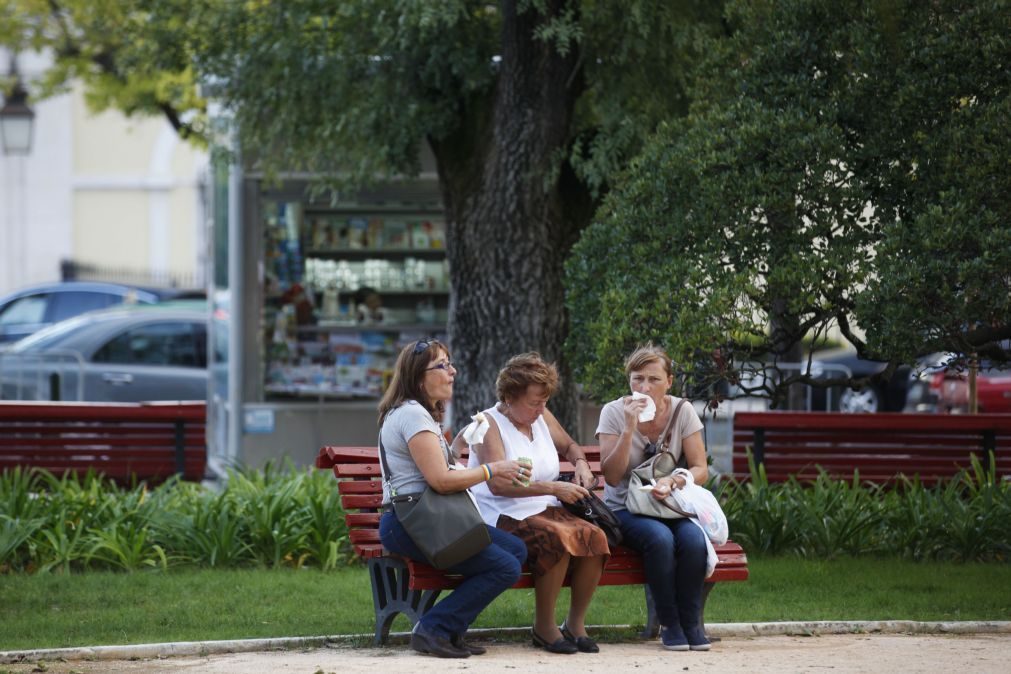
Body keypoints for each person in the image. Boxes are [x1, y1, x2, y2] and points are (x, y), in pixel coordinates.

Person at [378, 339, 530, 659]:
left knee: (515, 550)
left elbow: (437, 469)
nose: (453, 372)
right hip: (413, 523)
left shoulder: (419, 415)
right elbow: (441, 481)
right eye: (443, 366)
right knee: (504, 567)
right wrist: (491, 470)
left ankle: (449, 629)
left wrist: (459, 442)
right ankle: (433, 628)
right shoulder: (413, 417)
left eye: (450, 363)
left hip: (428, 518)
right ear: (420, 378)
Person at [466, 353, 609, 655]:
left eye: (544, 401)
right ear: (508, 396)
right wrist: (554, 486)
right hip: (504, 511)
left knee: (595, 536)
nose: (541, 408)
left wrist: (581, 464)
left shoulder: (541, 416)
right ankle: (544, 627)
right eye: (534, 403)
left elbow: (570, 446)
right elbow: (497, 483)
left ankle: (575, 624)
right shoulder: (487, 423)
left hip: (546, 506)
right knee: (554, 538)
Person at [595, 344, 711, 652]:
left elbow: (701, 469)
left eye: (653, 379)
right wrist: (629, 427)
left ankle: (691, 622)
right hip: (624, 508)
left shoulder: (682, 410)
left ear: (669, 381)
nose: (644, 387)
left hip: (669, 504)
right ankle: (670, 624)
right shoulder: (613, 412)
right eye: (637, 379)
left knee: (694, 541)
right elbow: (612, 477)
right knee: (659, 540)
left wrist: (674, 481)